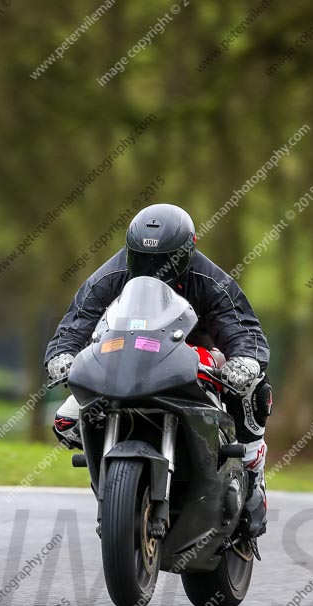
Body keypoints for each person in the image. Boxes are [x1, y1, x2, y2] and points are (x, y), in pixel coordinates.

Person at [44, 204, 272, 540]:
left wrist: (246, 360)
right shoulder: (110, 274)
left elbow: (240, 327)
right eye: (143, 259)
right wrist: (62, 354)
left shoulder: (209, 278)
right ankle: (116, 491)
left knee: (253, 387)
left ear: (186, 253)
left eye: (163, 259)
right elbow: (79, 318)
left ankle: (253, 471)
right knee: (65, 422)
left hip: (196, 357)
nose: (153, 268)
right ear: (130, 251)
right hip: (125, 357)